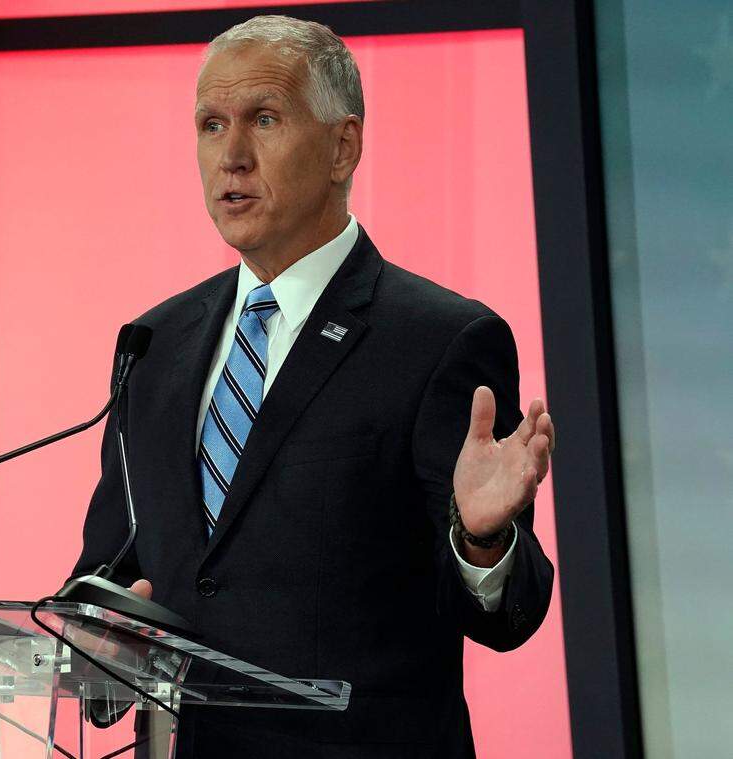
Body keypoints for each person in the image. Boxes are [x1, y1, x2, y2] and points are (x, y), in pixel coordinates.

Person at [71, 15, 556, 758]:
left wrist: (482, 539)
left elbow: (507, 616)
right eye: (211, 125)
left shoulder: (439, 341)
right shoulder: (155, 342)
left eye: (264, 119)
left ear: (342, 147)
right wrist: (96, 636)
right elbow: (114, 570)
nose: (232, 155)